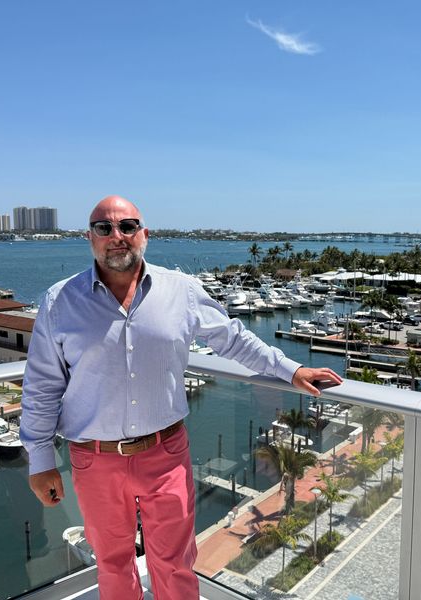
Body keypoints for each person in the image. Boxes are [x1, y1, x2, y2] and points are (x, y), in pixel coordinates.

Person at [20, 195, 341, 600]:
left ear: (145, 235)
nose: (117, 236)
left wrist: (289, 369)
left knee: (175, 566)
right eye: (104, 228)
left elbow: (232, 339)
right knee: (113, 567)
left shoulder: (182, 291)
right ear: (90, 238)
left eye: (128, 226)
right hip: (94, 458)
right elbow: (42, 386)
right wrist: (41, 460)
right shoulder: (58, 302)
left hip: (165, 454)